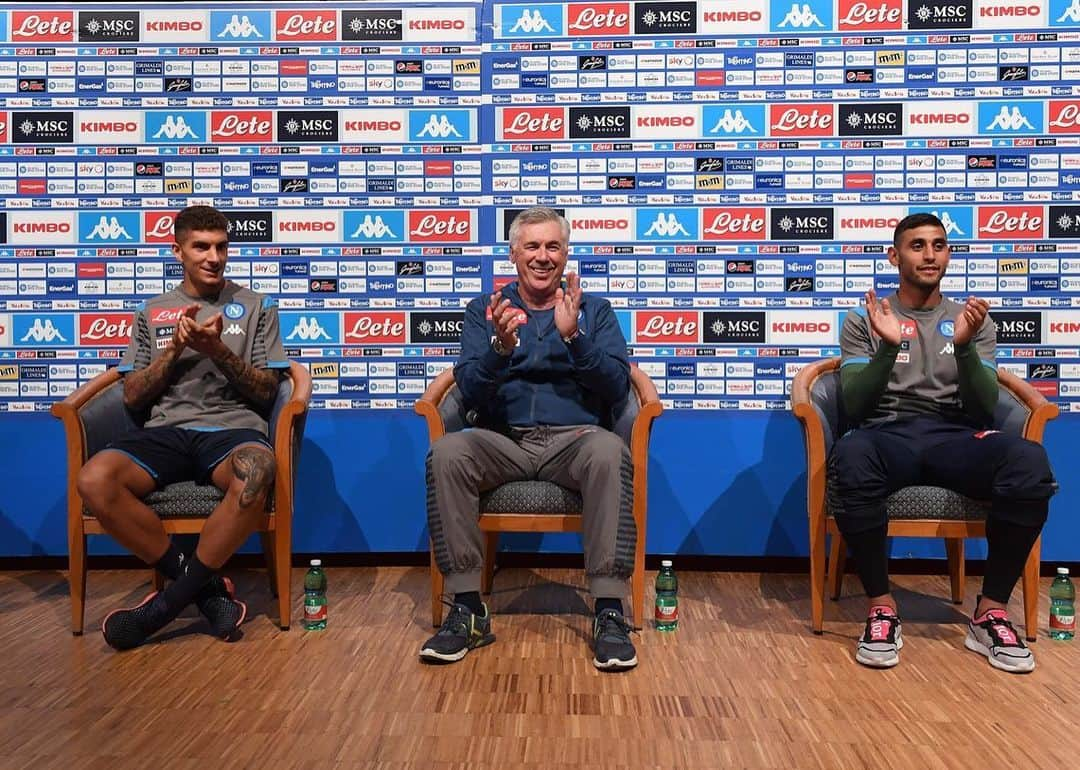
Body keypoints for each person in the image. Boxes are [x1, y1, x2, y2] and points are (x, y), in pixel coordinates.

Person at [830, 212, 1058, 672]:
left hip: (955, 435)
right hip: (887, 433)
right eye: (917, 245)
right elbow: (853, 407)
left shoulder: (971, 319)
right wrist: (889, 346)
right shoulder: (866, 317)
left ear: (948, 254)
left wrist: (969, 346)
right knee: (851, 455)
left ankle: (991, 612)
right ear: (895, 256)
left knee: (1029, 463)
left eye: (938, 245)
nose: (929, 254)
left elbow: (982, 409)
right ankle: (881, 608)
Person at [421, 206, 638, 669]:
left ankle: (608, 611)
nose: (543, 257)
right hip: (504, 441)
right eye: (533, 247)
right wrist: (499, 350)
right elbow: (471, 389)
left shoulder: (594, 312)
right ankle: (467, 608)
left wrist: (575, 336)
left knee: (608, 451)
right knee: (447, 452)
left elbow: (618, 387)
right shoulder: (486, 311)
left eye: (553, 246)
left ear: (566, 255)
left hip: (574, 440)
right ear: (515, 254)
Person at [77, 205, 291, 650]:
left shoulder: (256, 307)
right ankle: (208, 592)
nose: (214, 257)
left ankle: (164, 606)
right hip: (165, 431)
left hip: (231, 431)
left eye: (221, 246)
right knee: (93, 480)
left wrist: (218, 351)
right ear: (178, 251)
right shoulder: (153, 311)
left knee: (257, 470)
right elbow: (132, 395)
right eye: (201, 247)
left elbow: (268, 393)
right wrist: (173, 349)